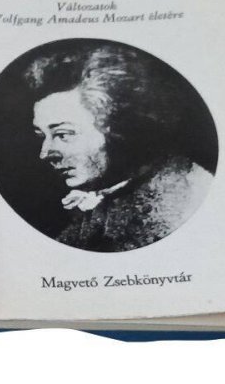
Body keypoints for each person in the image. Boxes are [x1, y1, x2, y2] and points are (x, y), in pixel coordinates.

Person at [24, 43, 212, 252]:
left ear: (120, 128)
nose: (45, 154)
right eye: (41, 136)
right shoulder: (96, 205)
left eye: (63, 134)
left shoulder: (183, 199)